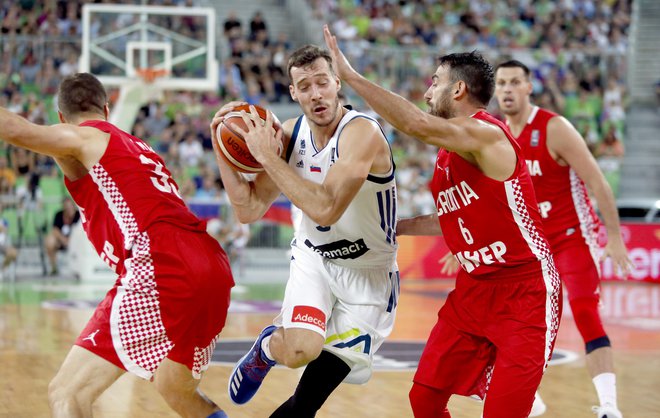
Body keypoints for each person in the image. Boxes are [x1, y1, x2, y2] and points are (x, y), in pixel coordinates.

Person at [324, 26, 561, 418]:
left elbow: (416, 124)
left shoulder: (486, 135)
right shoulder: (453, 151)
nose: (427, 91)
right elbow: (448, 217)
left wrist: (350, 77)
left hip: (526, 291)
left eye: (435, 82)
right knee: (424, 399)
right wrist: (391, 226)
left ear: (458, 91)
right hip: (473, 290)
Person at [0, 73, 233, 418]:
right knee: (176, 389)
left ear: (62, 118)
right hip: (212, 266)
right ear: (107, 108)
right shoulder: (139, 147)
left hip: (160, 264)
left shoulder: (84, 136)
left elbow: (18, 131)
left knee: (67, 392)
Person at [210, 44, 399, 416]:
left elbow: (326, 208)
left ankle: (267, 345)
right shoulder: (291, 136)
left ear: (337, 83)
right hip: (314, 258)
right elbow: (248, 209)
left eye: (322, 83)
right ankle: (267, 351)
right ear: (293, 92)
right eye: (305, 86)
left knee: (308, 400)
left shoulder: (362, 133)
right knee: (300, 349)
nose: (316, 94)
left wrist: (266, 157)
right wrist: (220, 140)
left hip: (369, 276)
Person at [494, 60, 633, 418]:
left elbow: (598, 182)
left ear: (528, 88)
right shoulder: (497, 135)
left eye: (514, 82)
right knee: (510, 320)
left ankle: (608, 406)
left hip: (572, 236)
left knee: (585, 311)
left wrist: (614, 237)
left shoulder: (554, 127)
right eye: (501, 83)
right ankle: (531, 399)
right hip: (532, 244)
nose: (507, 89)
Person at [44, 196, 80, 275]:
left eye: (70, 207)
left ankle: (79, 269)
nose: (68, 209)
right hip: (61, 241)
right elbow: (55, 229)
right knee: (49, 241)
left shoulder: (78, 215)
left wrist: (70, 240)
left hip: (76, 242)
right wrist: (63, 239)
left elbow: (80, 231)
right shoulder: (59, 215)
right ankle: (54, 267)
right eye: (66, 207)